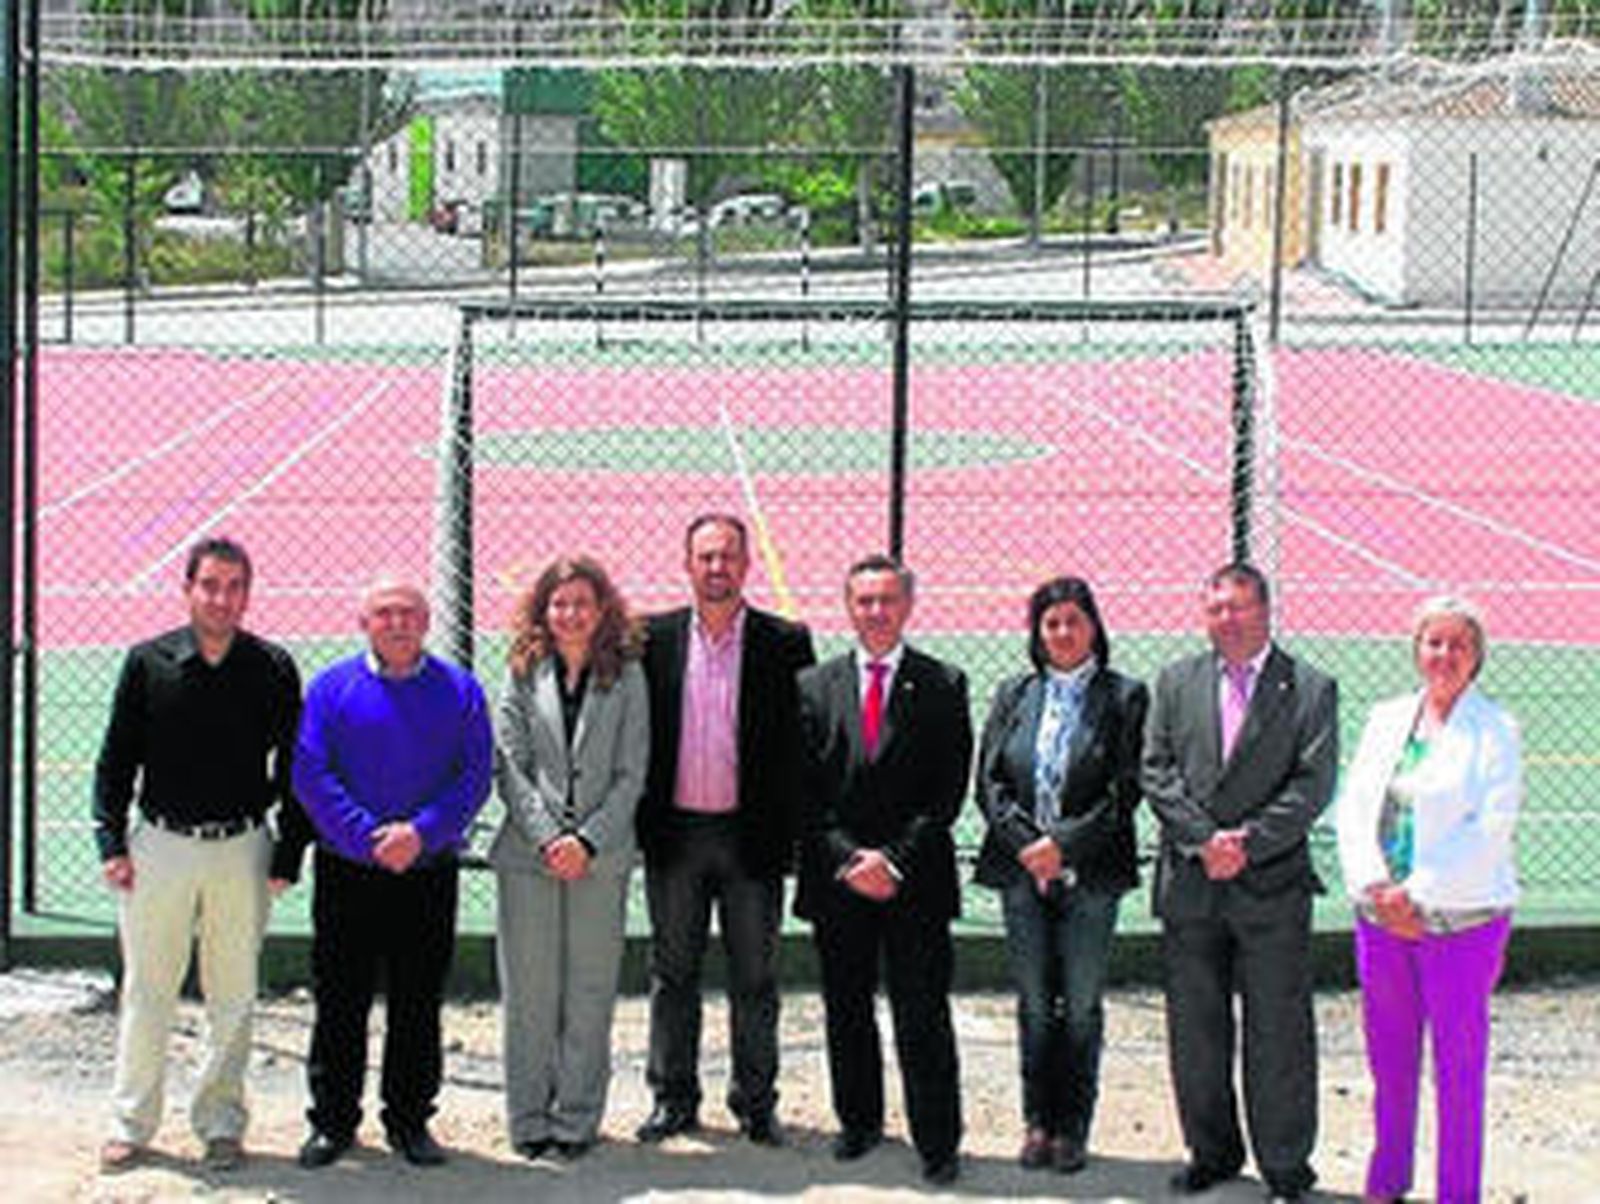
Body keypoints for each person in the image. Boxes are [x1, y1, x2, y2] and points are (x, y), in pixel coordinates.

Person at [92, 536, 302, 1174]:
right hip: (160, 846)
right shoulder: (147, 663)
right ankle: (131, 1123)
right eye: (210, 585)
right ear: (188, 590)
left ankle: (220, 1123)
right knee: (148, 989)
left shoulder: (272, 667)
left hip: (241, 847)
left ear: (248, 594)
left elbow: (293, 770)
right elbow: (115, 760)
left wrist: (286, 854)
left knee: (233, 993)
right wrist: (110, 842)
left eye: (235, 586)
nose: (222, 598)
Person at [1142, 562, 1338, 1202]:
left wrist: (1247, 843)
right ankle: (1213, 1151)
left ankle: (1285, 1164)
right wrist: (1203, 840)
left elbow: (1312, 785)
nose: (1227, 619)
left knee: (1277, 1030)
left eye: (1239, 607)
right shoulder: (1175, 682)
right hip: (1192, 884)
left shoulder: (1309, 687)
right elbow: (1157, 769)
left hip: (1270, 886)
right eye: (1216, 609)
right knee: (1195, 1028)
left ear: (1266, 610)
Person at [290, 575, 493, 1169]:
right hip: (349, 868)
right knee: (340, 1000)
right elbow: (310, 772)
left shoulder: (460, 691)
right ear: (364, 622)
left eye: (409, 612)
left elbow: (473, 777)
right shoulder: (331, 688)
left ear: (426, 622)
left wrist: (421, 832)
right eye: (385, 612)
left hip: (426, 870)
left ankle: (409, 1121)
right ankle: (332, 1122)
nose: (398, 622)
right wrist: (365, 835)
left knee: (417, 1000)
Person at [634, 513, 815, 1146]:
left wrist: (789, 837)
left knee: (755, 978)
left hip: (750, 840)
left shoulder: (785, 641)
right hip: (675, 835)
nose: (717, 568)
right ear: (687, 565)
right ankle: (673, 1097)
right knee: (673, 973)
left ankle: (755, 1100)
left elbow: (799, 749)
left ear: (747, 564)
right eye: (706, 557)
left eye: (728, 557)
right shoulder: (650, 638)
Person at [1336, 596, 1521, 1204]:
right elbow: (1355, 808)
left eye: (1458, 644)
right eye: (1433, 642)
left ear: (1477, 658)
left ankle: (1457, 1194)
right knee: (1389, 1064)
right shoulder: (1387, 717)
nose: (1444, 655)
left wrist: (1413, 894)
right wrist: (1375, 888)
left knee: (1457, 1072)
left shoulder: (1496, 730)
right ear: (1416, 649)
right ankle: (1386, 1181)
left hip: (1461, 924)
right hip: (1380, 919)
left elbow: (1488, 827)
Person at [795, 555, 973, 1186]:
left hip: (913, 880)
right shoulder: (813, 687)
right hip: (839, 881)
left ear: (908, 606)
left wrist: (893, 859)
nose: (876, 611)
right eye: (864, 600)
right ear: (848, 607)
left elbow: (946, 793)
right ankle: (860, 1121)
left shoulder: (944, 683)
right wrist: (848, 859)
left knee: (922, 1011)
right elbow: (806, 795)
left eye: (887, 600)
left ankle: (938, 1139)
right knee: (846, 1007)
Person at [973, 576, 1148, 1175]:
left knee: (1078, 1005)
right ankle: (1037, 1121)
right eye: (1051, 623)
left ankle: (1073, 1124)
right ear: (1037, 632)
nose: (1063, 633)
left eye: (1074, 621)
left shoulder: (1124, 697)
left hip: (1090, 876)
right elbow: (990, 782)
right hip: (1022, 873)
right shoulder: (1015, 693)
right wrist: (1029, 847)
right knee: (1030, 1001)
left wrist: (1064, 847)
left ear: (1094, 626)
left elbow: (1126, 790)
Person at [490, 556, 649, 1161]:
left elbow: (633, 772)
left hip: (599, 860)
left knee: (589, 990)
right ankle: (528, 1118)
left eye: (582, 602)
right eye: (559, 603)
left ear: (602, 608)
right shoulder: (523, 669)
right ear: (543, 610)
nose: (571, 613)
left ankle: (577, 1119)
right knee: (529, 994)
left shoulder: (628, 676)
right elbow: (511, 764)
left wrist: (586, 841)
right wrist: (547, 837)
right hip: (529, 858)